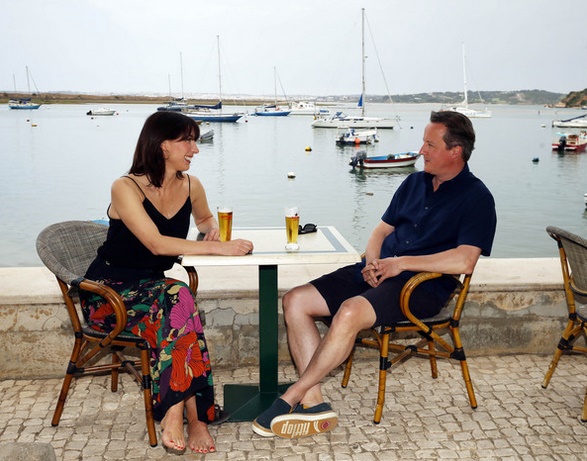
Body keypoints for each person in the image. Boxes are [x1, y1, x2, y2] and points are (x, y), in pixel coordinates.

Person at [252, 110, 497, 438]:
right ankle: (314, 403)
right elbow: (380, 232)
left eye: (430, 144)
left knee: (349, 312)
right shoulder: (413, 182)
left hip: (421, 286)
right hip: (380, 270)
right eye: (423, 143)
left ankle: (292, 396)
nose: (421, 150)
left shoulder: (477, 198)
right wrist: (371, 262)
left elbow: (464, 261)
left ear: (455, 151)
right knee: (295, 300)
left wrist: (401, 263)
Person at [80, 111, 254, 453]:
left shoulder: (192, 185)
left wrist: (211, 231)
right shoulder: (125, 187)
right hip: (109, 293)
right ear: (162, 146)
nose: (195, 149)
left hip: (154, 291)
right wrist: (219, 248)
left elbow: (205, 219)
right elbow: (156, 244)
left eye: (195, 141)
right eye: (187, 141)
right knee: (178, 299)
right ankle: (194, 416)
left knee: (177, 303)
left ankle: (179, 414)